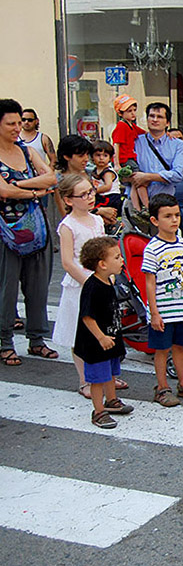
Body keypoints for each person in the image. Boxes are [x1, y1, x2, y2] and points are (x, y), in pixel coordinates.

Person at [0, 98, 58, 367]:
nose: (17, 127)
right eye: (11, 123)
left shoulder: (25, 150)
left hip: (36, 228)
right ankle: (5, 343)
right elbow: (3, 191)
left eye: (19, 122)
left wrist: (20, 184)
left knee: (38, 286)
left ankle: (37, 340)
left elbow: (51, 178)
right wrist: (35, 192)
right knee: (6, 288)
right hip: (5, 231)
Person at [50, 174, 119, 398]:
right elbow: (68, 261)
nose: (90, 198)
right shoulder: (67, 226)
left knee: (106, 327)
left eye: (91, 192)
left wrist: (109, 275)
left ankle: (107, 377)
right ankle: (84, 380)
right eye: (84, 195)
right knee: (80, 333)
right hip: (81, 285)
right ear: (69, 200)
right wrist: (90, 281)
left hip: (102, 282)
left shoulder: (97, 220)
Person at [143, 193, 183, 407]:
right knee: (161, 350)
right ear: (155, 220)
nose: (174, 220)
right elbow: (150, 282)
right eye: (167, 216)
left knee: (180, 347)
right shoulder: (152, 249)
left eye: (176, 215)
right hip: (163, 309)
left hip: (182, 309)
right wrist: (154, 312)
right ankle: (161, 388)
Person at [75, 236, 133, 428]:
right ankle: (98, 411)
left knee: (110, 374)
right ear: (102, 264)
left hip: (111, 337)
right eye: (116, 257)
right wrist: (100, 337)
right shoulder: (92, 287)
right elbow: (87, 317)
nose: (121, 260)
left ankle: (112, 401)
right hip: (97, 343)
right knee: (98, 378)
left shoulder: (108, 281)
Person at [111, 94, 149, 213]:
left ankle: (137, 208)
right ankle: (147, 206)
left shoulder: (131, 126)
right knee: (140, 181)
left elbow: (145, 133)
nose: (133, 113)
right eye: (129, 111)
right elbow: (116, 144)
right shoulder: (121, 126)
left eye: (134, 110)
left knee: (134, 183)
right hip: (126, 159)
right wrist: (117, 164)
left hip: (130, 158)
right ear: (121, 113)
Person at [91, 139, 123, 216]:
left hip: (110, 197)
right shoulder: (95, 170)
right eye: (98, 155)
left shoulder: (107, 172)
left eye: (105, 156)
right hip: (102, 195)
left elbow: (108, 186)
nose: (101, 158)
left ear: (110, 158)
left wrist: (94, 191)